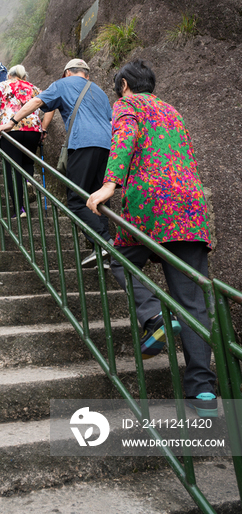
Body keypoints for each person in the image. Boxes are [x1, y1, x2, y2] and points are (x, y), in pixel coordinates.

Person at [87, 59, 217, 417]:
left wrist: (109, 185)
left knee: (121, 259)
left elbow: (125, 138)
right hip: (189, 209)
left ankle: (155, 316)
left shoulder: (128, 105)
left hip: (148, 204)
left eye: (118, 88)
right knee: (193, 303)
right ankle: (203, 392)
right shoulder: (173, 112)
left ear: (125, 84)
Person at [0, 58, 112, 259]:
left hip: (83, 143)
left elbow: (37, 101)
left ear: (67, 73)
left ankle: (106, 244)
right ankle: (103, 252)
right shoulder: (99, 91)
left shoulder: (62, 84)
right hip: (108, 146)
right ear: (87, 75)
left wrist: (12, 122)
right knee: (98, 199)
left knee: (76, 201)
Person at [0, 64, 43, 218]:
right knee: (27, 162)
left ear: (9, 75)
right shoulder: (33, 87)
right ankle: (29, 179)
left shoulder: (4, 85)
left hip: (10, 130)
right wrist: (43, 126)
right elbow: (49, 105)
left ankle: (20, 209)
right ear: (24, 76)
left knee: (12, 170)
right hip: (33, 130)